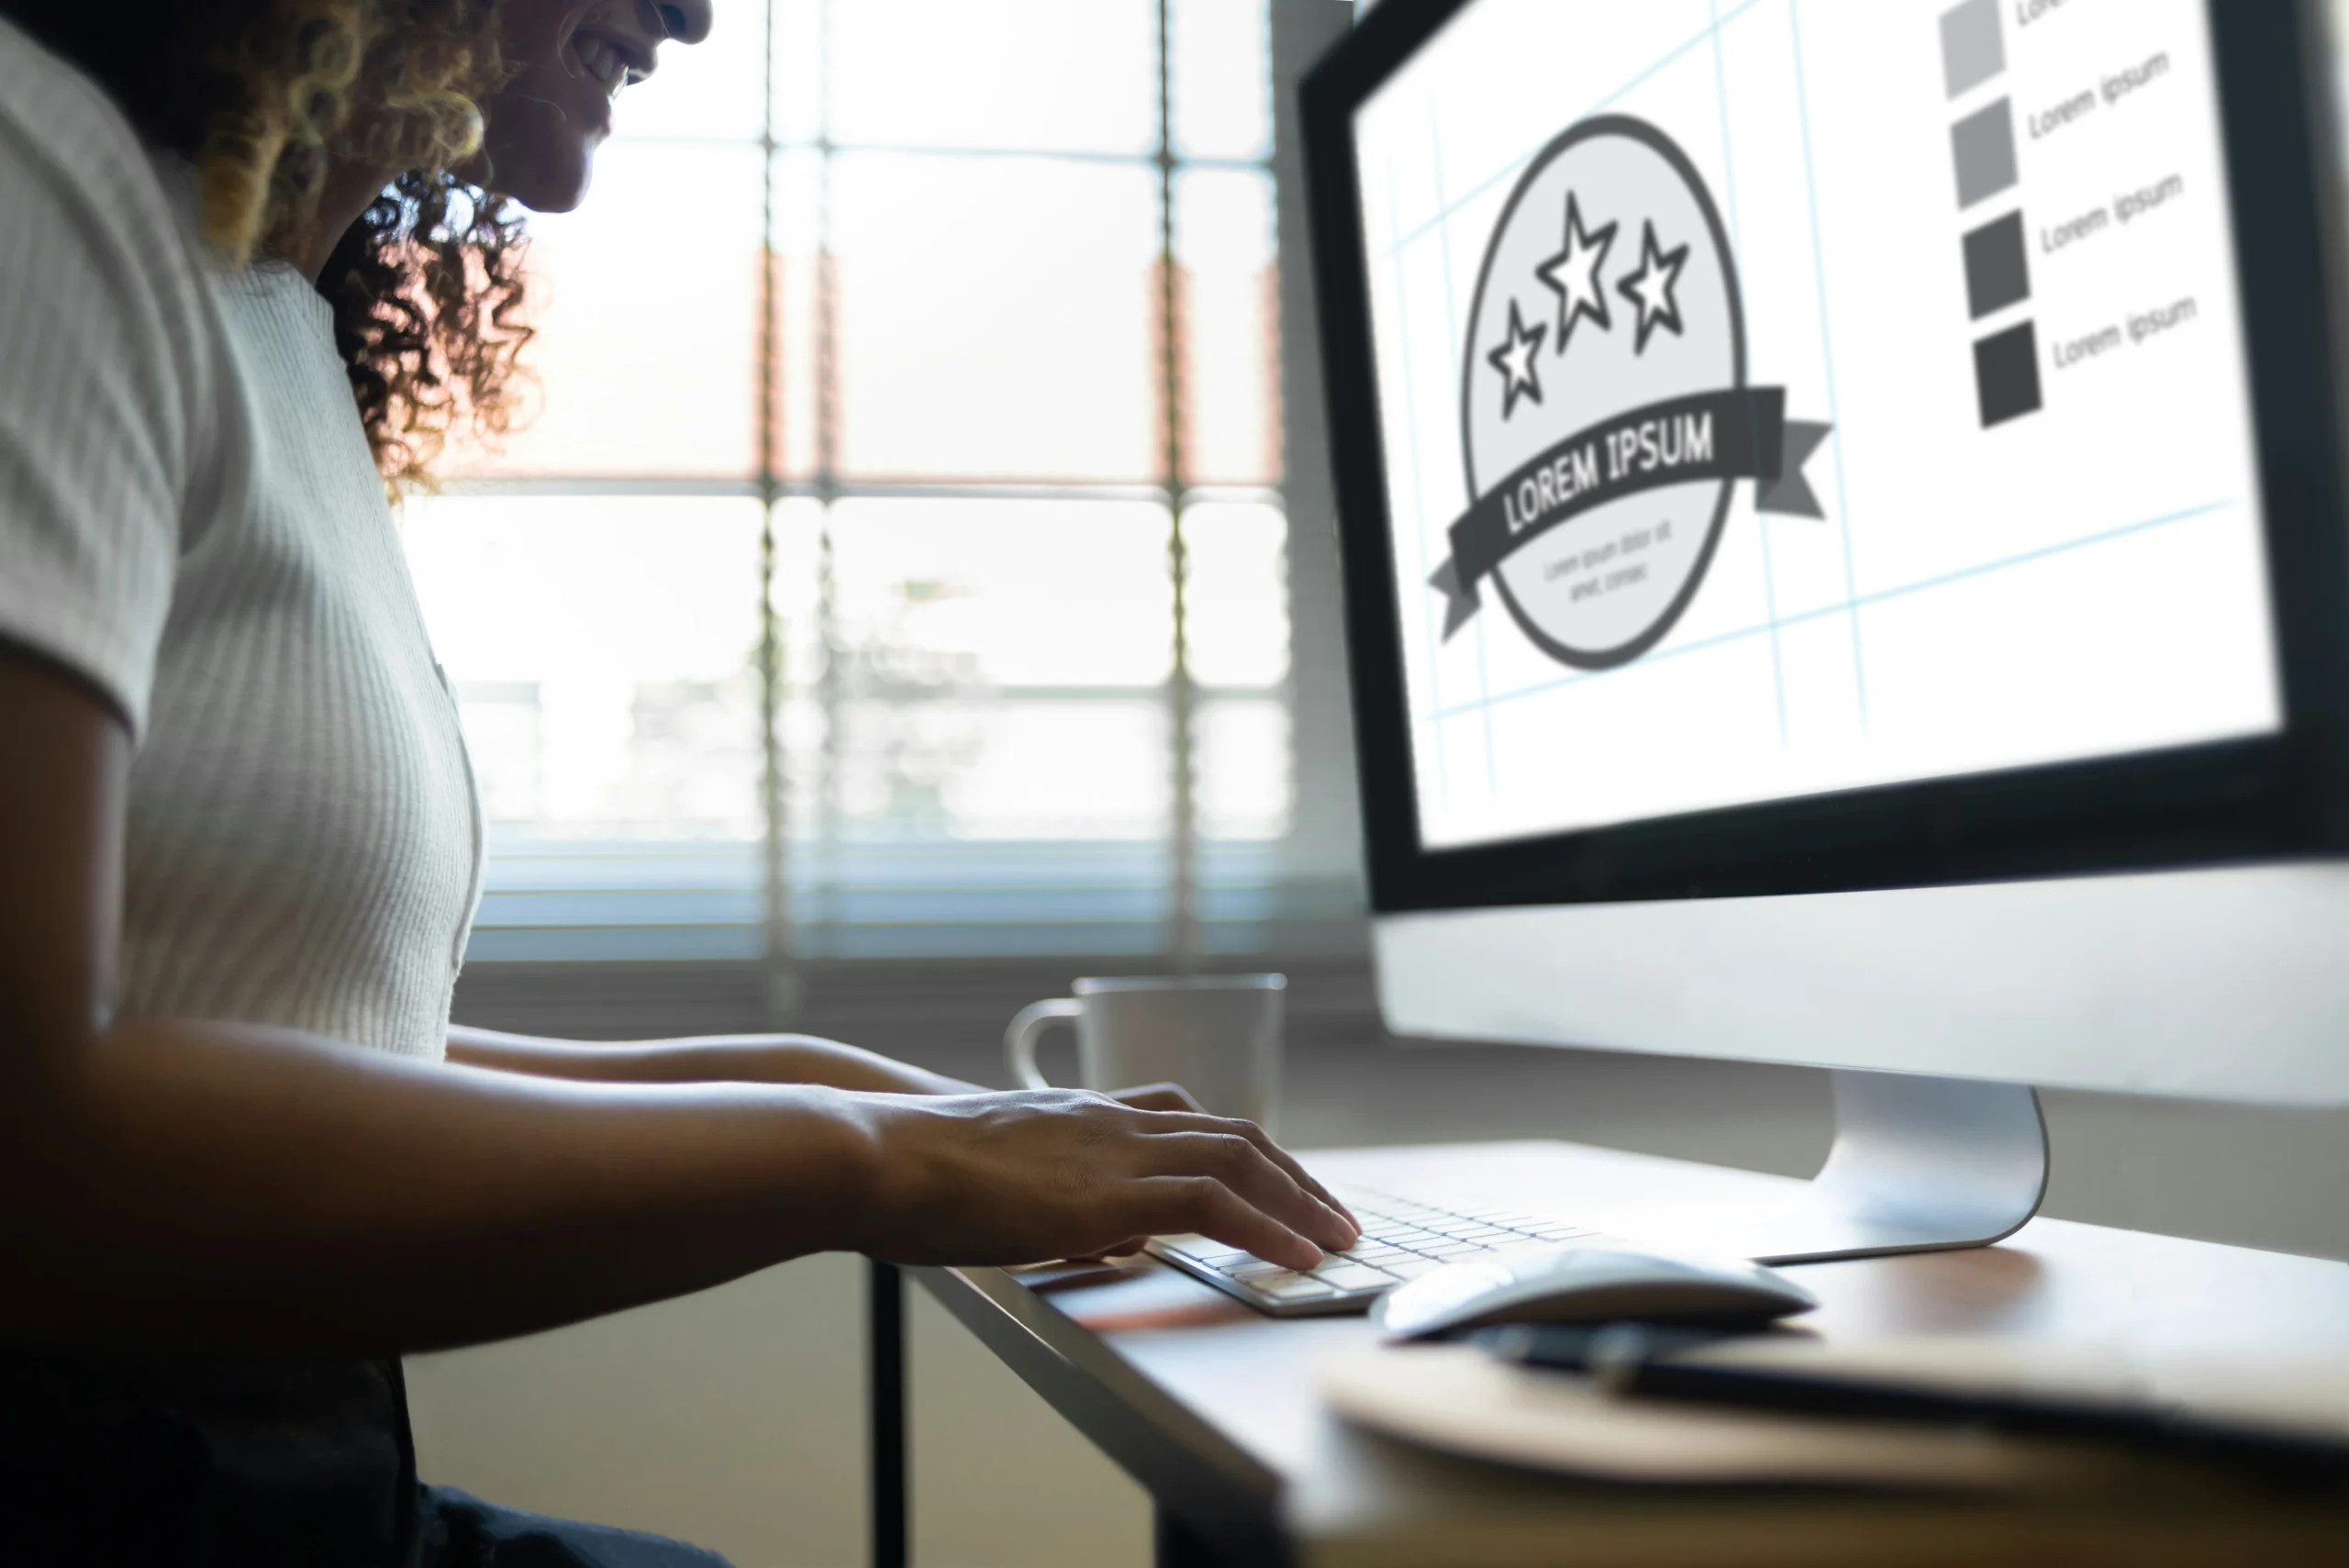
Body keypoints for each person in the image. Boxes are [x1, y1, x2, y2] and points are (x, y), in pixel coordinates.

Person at [0, 2, 1358, 1562]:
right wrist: (873, 1161)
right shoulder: (40, 185)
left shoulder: (273, 315)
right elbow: (37, 1134)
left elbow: (289, 1041)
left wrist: (862, 1088)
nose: (697, 8)